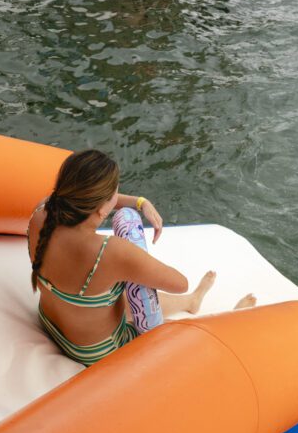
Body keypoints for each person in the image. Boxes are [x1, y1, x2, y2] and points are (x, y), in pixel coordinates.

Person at [27, 149, 256, 365]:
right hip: (97, 351)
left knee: (126, 299)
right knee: (181, 336)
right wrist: (137, 254)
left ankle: (191, 301)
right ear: (102, 209)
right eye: (115, 194)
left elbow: (94, 201)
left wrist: (140, 202)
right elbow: (179, 282)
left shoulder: (42, 212)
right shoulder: (110, 252)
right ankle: (230, 319)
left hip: (50, 322)